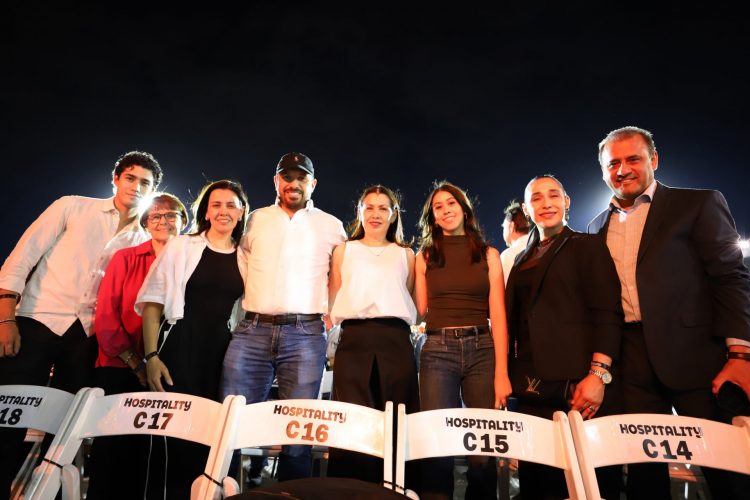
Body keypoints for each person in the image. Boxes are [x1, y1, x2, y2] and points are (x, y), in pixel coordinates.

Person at [588, 126, 750, 500]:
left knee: (727, 471)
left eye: (633, 159)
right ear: (603, 170)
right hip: (632, 362)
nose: (622, 170)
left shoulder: (698, 204)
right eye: (613, 163)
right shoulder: (596, 226)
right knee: (645, 475)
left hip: (697, 358)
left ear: (654, 160)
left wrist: (740, 354)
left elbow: (730, 277)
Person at [0, 151, 162, 496]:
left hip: (86, 337)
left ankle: (49, 494)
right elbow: (20, 258)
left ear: (153, 191)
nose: (136, 187)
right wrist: (5, 318)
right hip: (36, 322)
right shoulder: (71, 206)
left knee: (63, 430)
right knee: (8, 418)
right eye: (130, 178)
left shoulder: (143, 240)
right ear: (115, 179)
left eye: (145, 183)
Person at [221, 153, 346, 481]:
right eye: (287, 177)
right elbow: (242, 265)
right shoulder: (255, 219)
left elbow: (340, 275)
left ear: (312, 183)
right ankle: (225, 488)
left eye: (301, 177)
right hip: (253, 329)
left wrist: (330, 316)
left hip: (305, 333)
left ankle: (291, 492)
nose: (293, 184)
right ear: (276, 181)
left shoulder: (331, 226)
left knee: (299, 427)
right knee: (231, 420)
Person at [506, 175, 623, 500]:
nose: (546, 204)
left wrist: (598, 375)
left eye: (553, 195)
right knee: (537, 486)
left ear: (567, 201)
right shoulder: (521, 258)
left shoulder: (586, 245)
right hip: (532, 391)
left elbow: (607, 313)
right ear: (526, 209)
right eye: (537, 198)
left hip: (576, 387)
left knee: (588, 485)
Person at [136, 180, 248, 498]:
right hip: (180, 346)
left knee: (209, 437)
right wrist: (151, 357)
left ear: (241, 212)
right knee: (174, 434)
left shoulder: (246, 256)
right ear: (206, 212)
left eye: (231, 205)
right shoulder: (182, 246)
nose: (223, 211)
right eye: (216, 205)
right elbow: (152, 304)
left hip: (222, 353)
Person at [85, 192, 187, 500]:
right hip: (120, 365)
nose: (163, 221)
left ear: (184, 222)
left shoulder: (189, 262)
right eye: (155, 216)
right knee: (112, 450)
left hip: (167, 368)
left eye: (171, 215)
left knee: (151, 452)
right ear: (145, 223)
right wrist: (137, 363)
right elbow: (106, 317)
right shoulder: (125, 258)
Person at [413, 181, 510, 500]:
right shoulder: (424, 256)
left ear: (464, 209)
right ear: (433, 217)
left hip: (482, 349)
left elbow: (499, 317)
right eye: (438, 207)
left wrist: (502, 374)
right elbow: (419, 309)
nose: (445, 210)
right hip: (437, 350)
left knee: (483, 449)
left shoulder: (489, 254)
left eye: (451, 203)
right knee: (436, 444)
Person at [327, 185, 419, 486]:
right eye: (369, 207)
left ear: (393, 215)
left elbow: (411, 297)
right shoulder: (344, 251)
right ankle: (350, 490)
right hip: (354, 340)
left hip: (396, 340)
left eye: (383, 208)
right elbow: (334, 297)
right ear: (359, 212)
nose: (375, 214)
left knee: (396, 419)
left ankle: (396, 488)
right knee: (352, 420)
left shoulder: (406, 254)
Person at [500, 199, 531, 284]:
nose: (503, 230)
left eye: (504, 227)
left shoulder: (508, 255)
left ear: (511, 226)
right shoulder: (541, 247)